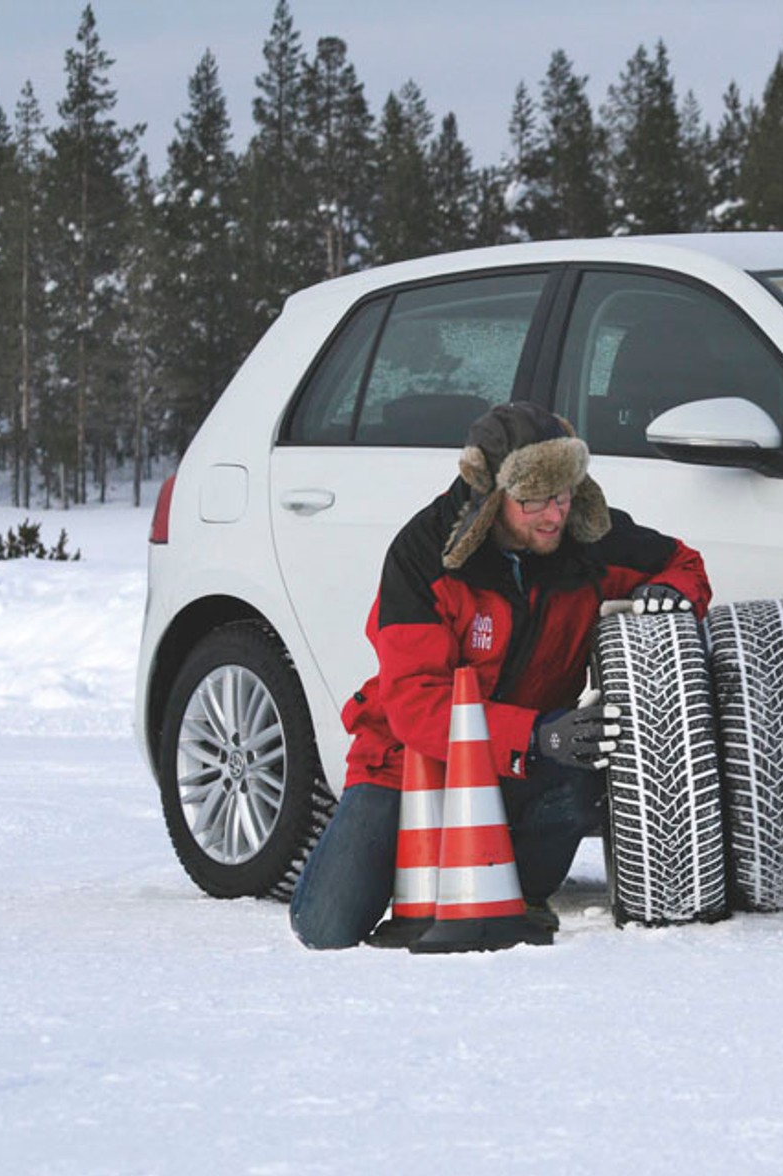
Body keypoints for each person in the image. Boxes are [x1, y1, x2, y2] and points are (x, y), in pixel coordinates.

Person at [289, 401, 710, 949]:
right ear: (492, 498)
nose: (554, 516)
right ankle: (410, 868)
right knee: (326, 927)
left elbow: (684, 563)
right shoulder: (424, 556)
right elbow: (416, 705)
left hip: (532, 764)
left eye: (562, 495)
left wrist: (672, 593)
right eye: (533, 500)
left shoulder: (589, 537)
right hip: (411, 763)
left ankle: (518, 886)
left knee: (577, 784)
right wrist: (532, 735)